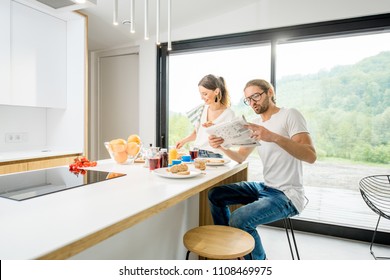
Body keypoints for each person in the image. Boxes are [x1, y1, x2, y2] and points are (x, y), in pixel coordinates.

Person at [207, 79, 317, 260]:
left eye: (256, 96)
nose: (252, 103)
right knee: (215, 195)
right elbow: (241, 157)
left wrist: (272, 136)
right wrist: (221, 147)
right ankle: (231, 251)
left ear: (270, 92)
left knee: (239, 219)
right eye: (248, 100)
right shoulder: (255, 123)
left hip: (287, 195)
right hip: (266, 187)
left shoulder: (290, 115)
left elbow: (310, 156)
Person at [176, 74, 235, 158]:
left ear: (216, 91)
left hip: (214, 156)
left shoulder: (229, 114)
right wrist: (183, 141)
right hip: (196, 153)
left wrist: (214, 128)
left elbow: (230, 140)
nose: (202, 98)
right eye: (201, 94)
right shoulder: (201, 109)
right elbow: (197, 133)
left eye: (205, 94)